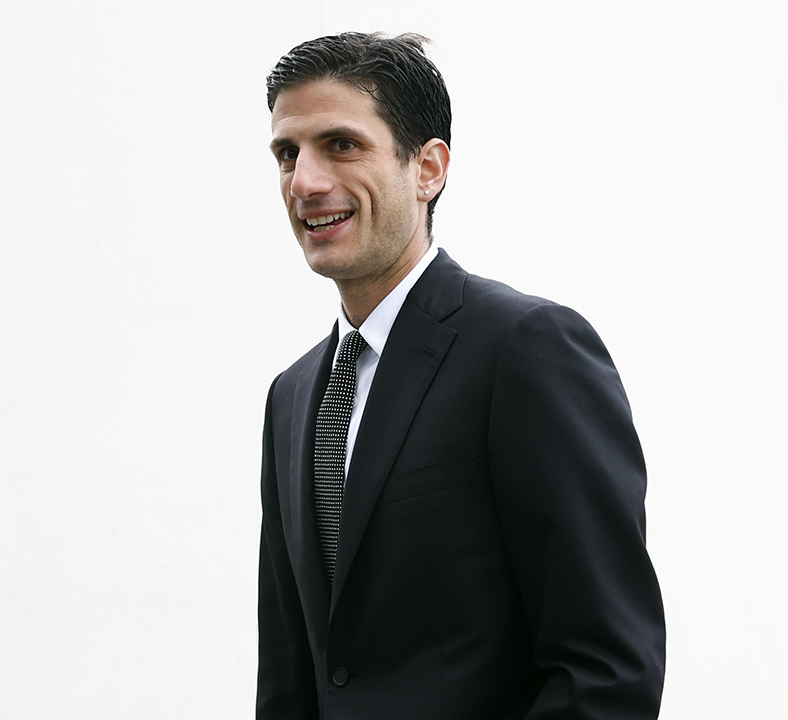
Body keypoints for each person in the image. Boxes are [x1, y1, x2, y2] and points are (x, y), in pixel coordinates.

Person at [257, 32, 665, 720]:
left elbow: (607, 668)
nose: (306, 181)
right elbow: (293, 678)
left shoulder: (525, 350)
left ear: (428, 169)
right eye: (287, 154)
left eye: (342, 145)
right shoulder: (294, 397)